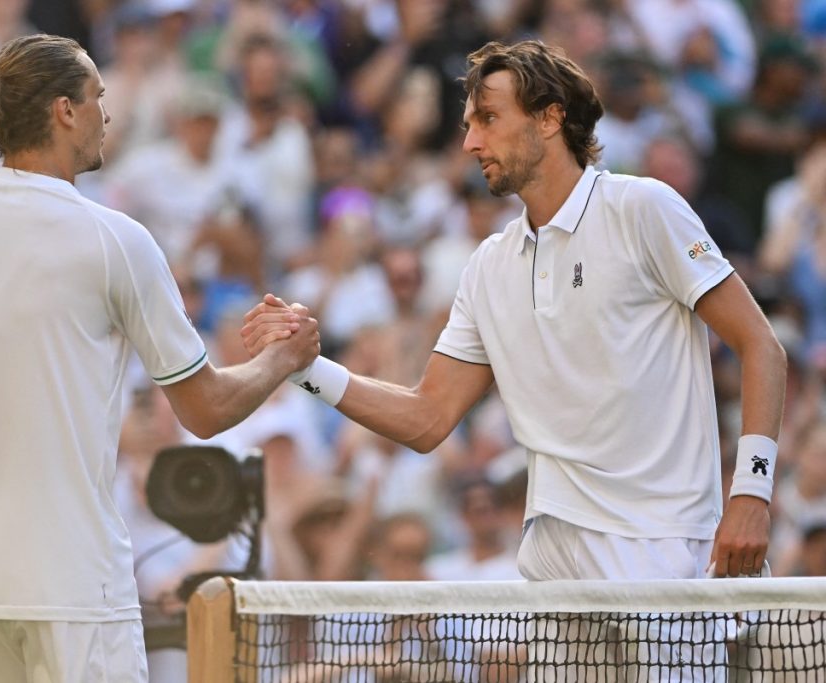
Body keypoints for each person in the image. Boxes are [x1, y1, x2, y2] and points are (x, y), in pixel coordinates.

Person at [0, 34, 319, 682]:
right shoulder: (117, 241)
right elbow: (209, 408)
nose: (107, 112)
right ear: (64, 110)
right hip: (74, 587)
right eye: (98, 96)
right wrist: (283, 357)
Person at [242, 39, 787, 583]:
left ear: (550, 118)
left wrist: (752, 494)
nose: (470, 143)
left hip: (661, 541)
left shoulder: (644, 208)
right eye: (468, 125)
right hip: (551, 551)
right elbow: (427, 418)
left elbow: (761, 346)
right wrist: (305, 368)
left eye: (487, 119)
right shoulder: (488, 265)